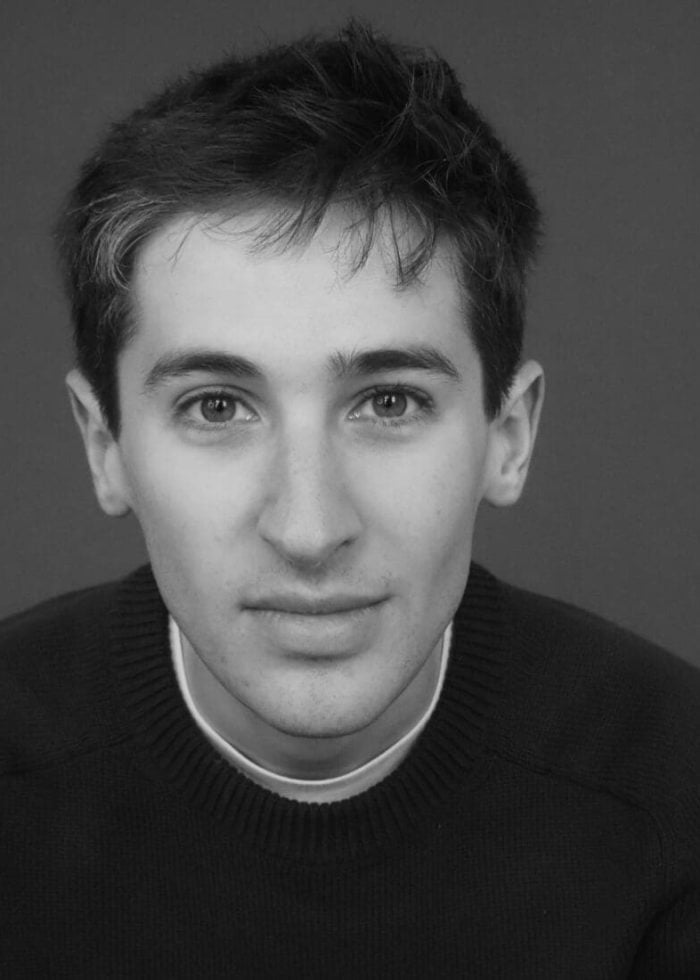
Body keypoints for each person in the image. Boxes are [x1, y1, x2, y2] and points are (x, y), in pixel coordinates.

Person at [1, 19, 699, 977]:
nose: (309, 528)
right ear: (105, 446)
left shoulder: (678, 792)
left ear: (510, 433)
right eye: (216, 405)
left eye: (388, 401)